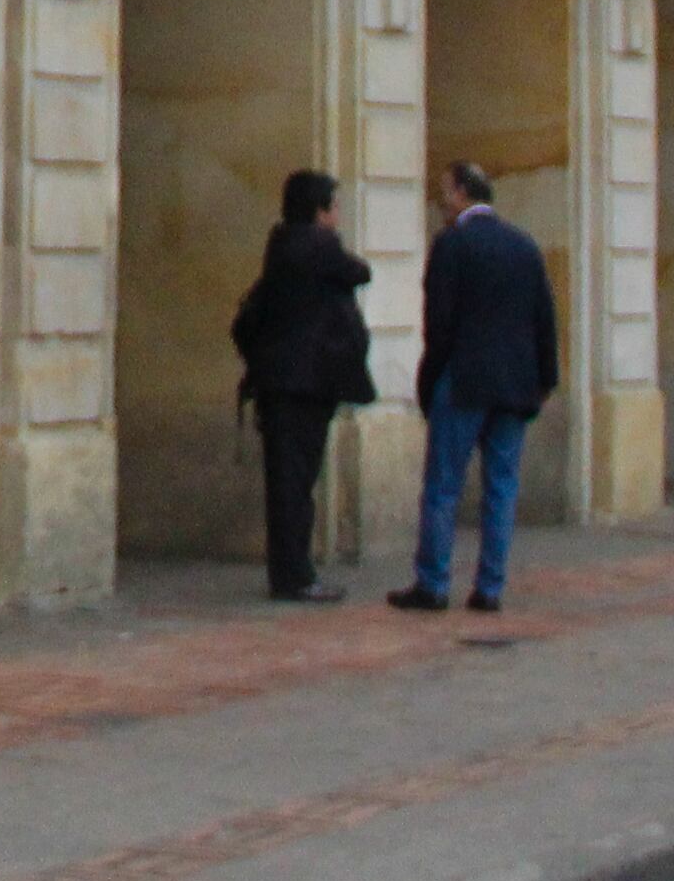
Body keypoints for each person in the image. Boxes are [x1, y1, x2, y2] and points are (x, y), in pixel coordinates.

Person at [393, 161, 556, 616]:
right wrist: (546, 378)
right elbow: (544, 317)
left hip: (463, 381)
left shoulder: (452, 244)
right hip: (516, 385)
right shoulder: (523, 246)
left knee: (444, 485)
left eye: (445, 190)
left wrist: (429, 380)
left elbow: (438, 323)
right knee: (501, 488)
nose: (440, 200)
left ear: (463, 193)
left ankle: (433, 582)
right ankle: (489, 588)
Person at [230, 169, 375, 603]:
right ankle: (296, 576)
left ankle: (288, 571)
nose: (336, 215)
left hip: (278, 382)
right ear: (319, 210)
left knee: (285, 482)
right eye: (333, 206)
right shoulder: (317, 246)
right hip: (306, 384)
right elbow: (360, 271)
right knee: (297, 484)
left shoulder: (279, 247)